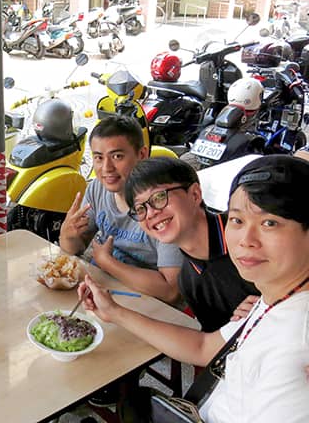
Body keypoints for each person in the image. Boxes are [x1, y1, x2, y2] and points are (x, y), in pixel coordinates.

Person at [80, 155, 309, 422]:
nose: (246, 240)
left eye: (270, 223)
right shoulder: (269, 293)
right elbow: (205, 347)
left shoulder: (295, 346)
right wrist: (113, 312)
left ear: (196, 194)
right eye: (237, 220)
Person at [59, 116, 185, 304]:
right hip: (101, 291)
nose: (106, 168)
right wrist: (67, 235)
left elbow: (170, 291)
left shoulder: (164, 206)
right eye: (98, 157)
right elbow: (74, 249)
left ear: (142, 154)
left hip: (148, 303)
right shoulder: (97, 189)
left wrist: (107, 263)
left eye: (117, 156)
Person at [125, 157, 259, 332]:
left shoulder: (245, 230)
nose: (150, 213)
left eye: (159, 197)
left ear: (195, 194)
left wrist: (268, 308)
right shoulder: (188, 280)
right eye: (140, 209)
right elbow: (216, 341)